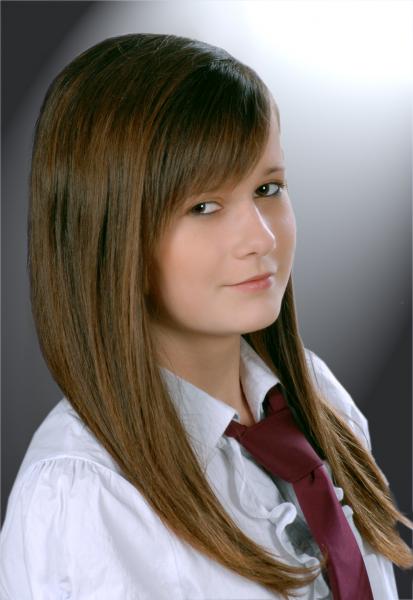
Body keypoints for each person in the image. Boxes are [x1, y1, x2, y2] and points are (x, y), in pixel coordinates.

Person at [0, 32, 411, 600]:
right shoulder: (89, 494)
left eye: (268, 187)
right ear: (108, 232)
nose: (261, 238)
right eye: (204, 206)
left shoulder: (317, 398)